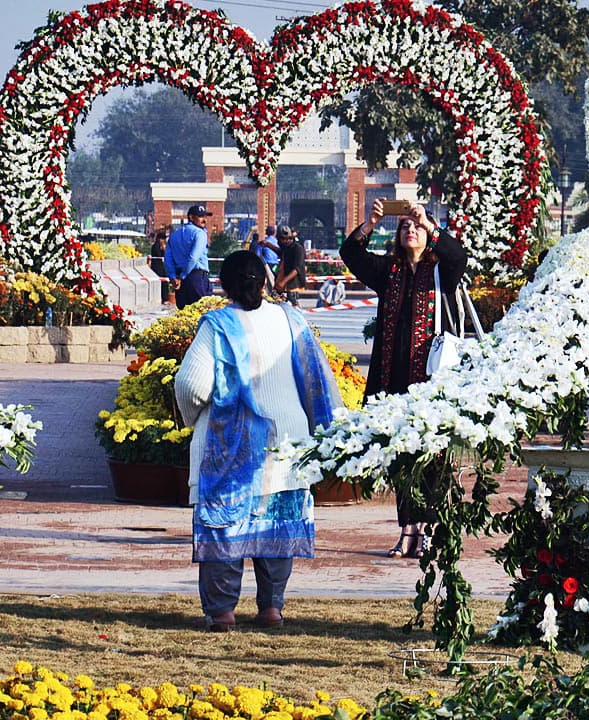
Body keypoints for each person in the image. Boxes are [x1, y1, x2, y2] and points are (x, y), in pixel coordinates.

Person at [175, 251, 342, 632]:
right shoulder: (291, 319)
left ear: (223, 286)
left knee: (225, 527)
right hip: (287, 443)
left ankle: (222, 612)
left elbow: (191, 384)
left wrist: (192, 419)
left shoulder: (217, 325)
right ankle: (271, 608)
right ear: (266, 282)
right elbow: (316, 380)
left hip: (231, 446)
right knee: (277, 525)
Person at [339, 198, 467, 559]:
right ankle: (408, 531)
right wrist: (371, 222)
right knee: (402, 459)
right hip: (393, 382)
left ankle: (430, 531)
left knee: (432, 457)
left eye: (415, 227)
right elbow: (351, 254)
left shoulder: (442, 271)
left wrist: (427, 222)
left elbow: (458, 255)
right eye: (404, 226)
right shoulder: (389, 271)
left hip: (432, 384)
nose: (409, 230)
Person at [165, 205, 213, 309]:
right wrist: (183, 276)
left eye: (205, 216)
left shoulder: (175, 235)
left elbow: (168, 259)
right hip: (196, 277)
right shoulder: (200, 233)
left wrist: (173, 277)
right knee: (201, 312)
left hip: (180, 281)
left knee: (184, 314)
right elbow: (193, 258)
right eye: (200, 216)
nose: (204, 220)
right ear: (191, 217)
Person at [273, 225, 307, 306]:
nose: (277, 241)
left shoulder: (297, 248)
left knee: (292, 308)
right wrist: (268, 245)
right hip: (284, 287)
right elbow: (280, 252)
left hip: (292, 286)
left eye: (278, 239)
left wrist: (283, 281)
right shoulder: (287, 248)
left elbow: (297, 269)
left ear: (285, 239)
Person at [150, 229, 171, 303]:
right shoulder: (155, 246)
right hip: (157, 267)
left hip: (162, 266)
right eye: (163, 239)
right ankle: (164, 298)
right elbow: (159, 255)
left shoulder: (161, 246)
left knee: (165, 282)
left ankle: (166, 298)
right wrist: (163, 248)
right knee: (162, 282)